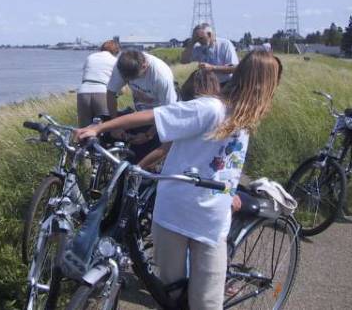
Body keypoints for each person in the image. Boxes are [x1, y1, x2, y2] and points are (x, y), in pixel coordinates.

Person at [76, 50, 282, 309]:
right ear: (262, 85)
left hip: (211, 223)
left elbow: (229, 164)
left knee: (206, 303)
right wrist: (100, 127)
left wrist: (230, 194)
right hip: (174, 216)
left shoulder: (245, 117)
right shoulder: (211, 108)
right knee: (172, 297)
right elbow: (156, 115)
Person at [138, 68, 220, 171]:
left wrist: (138, 167)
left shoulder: (192, 114)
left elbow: (164, 149)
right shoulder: (221, 111)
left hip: (182, 173)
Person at [106, 50, 177, 161]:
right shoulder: (122, 65)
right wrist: (115, 126)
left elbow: (168, 113)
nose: (131, 81)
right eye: (128, 79)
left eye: (134, 78)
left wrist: (148, 135)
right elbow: (111, 93)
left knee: (143, 156)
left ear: (144, 66)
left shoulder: (161, 76)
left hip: (160, 117)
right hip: (140, 113)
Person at [76, 40, 120, 127]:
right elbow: (118, 81)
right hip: (102, 91)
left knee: (84, 128)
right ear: (116, 51)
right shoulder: (114, 60)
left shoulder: (90, 57)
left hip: (83, 92)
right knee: (105, 126)